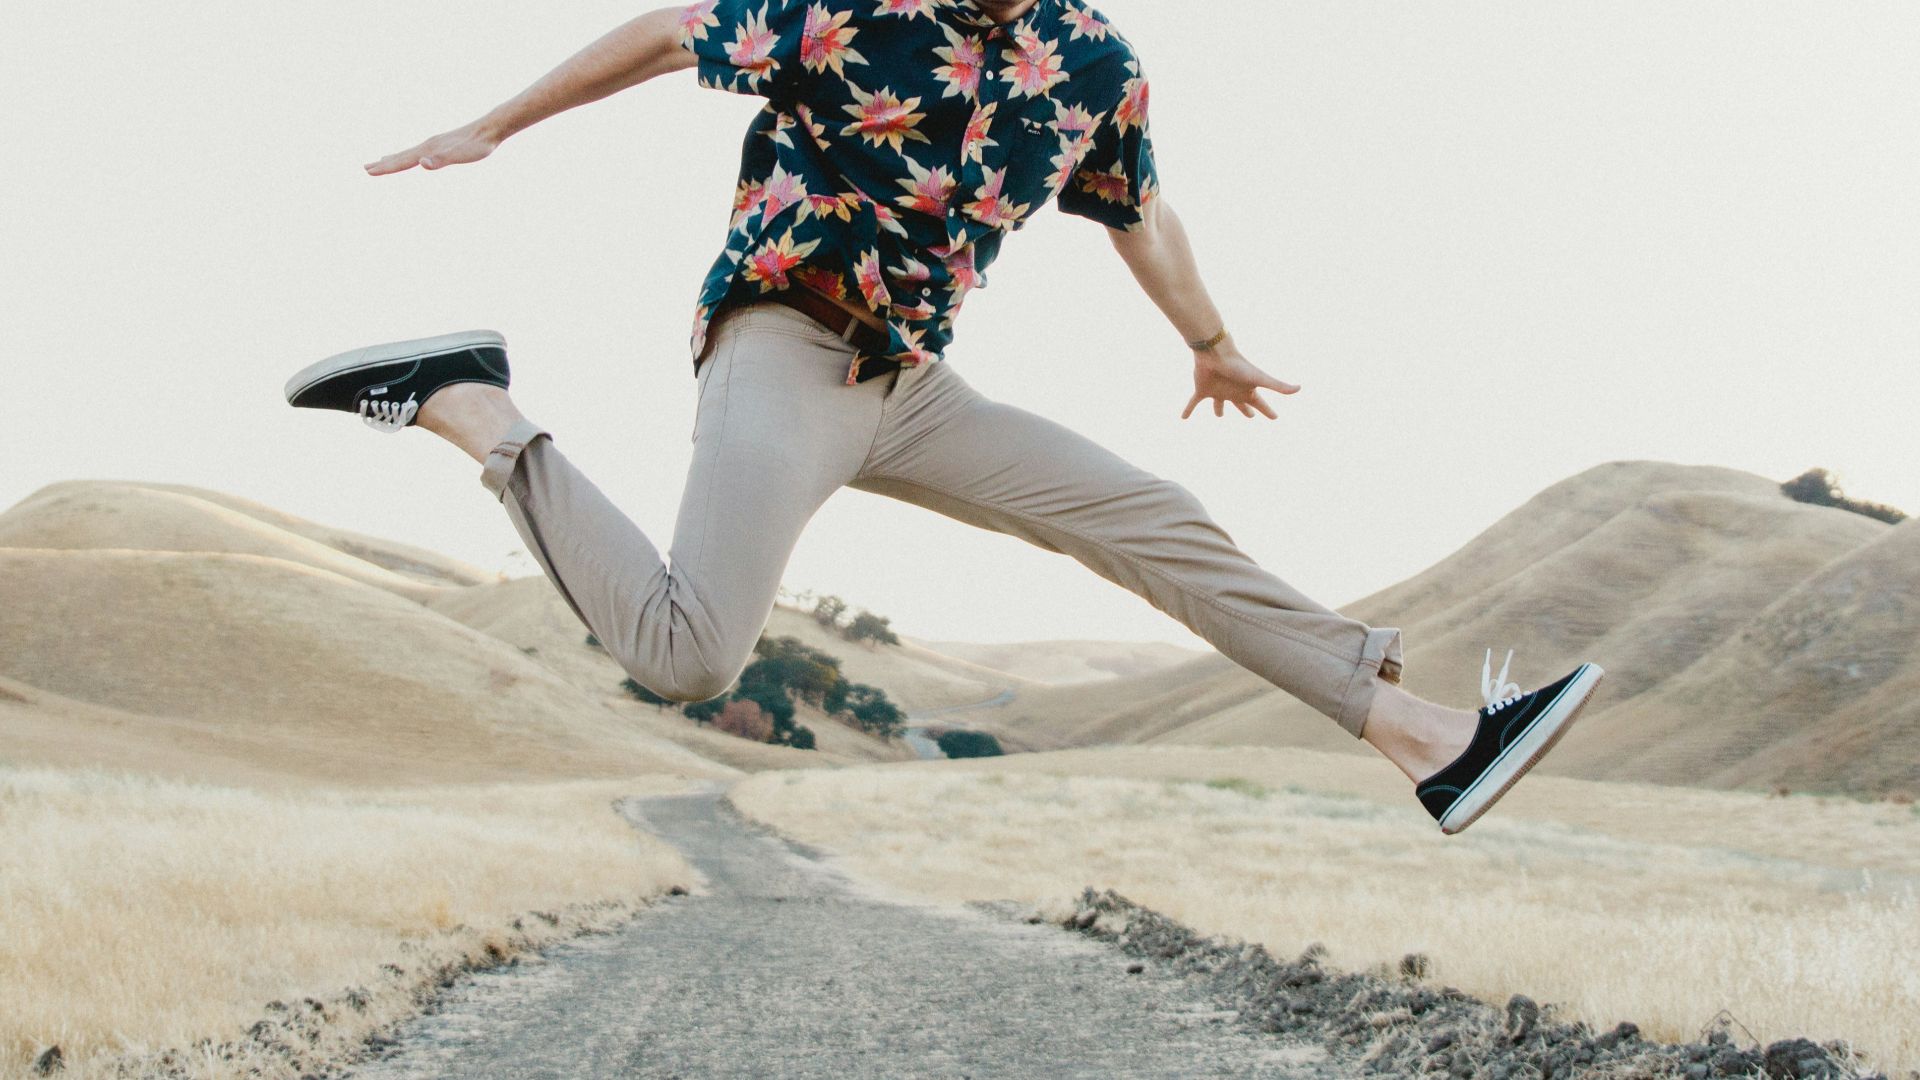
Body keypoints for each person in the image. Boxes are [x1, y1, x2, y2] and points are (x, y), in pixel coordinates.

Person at [283, 0, 1603, 834]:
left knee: (1150, 516)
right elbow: (670, 31)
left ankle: (1428, 740)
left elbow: (1140, 213)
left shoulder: (1093, 62)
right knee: (688, 657)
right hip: (783, 354)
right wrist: (493, 125)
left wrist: (1211, 342)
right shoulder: (858, 15)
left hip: (913, 391)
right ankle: (471, 405)